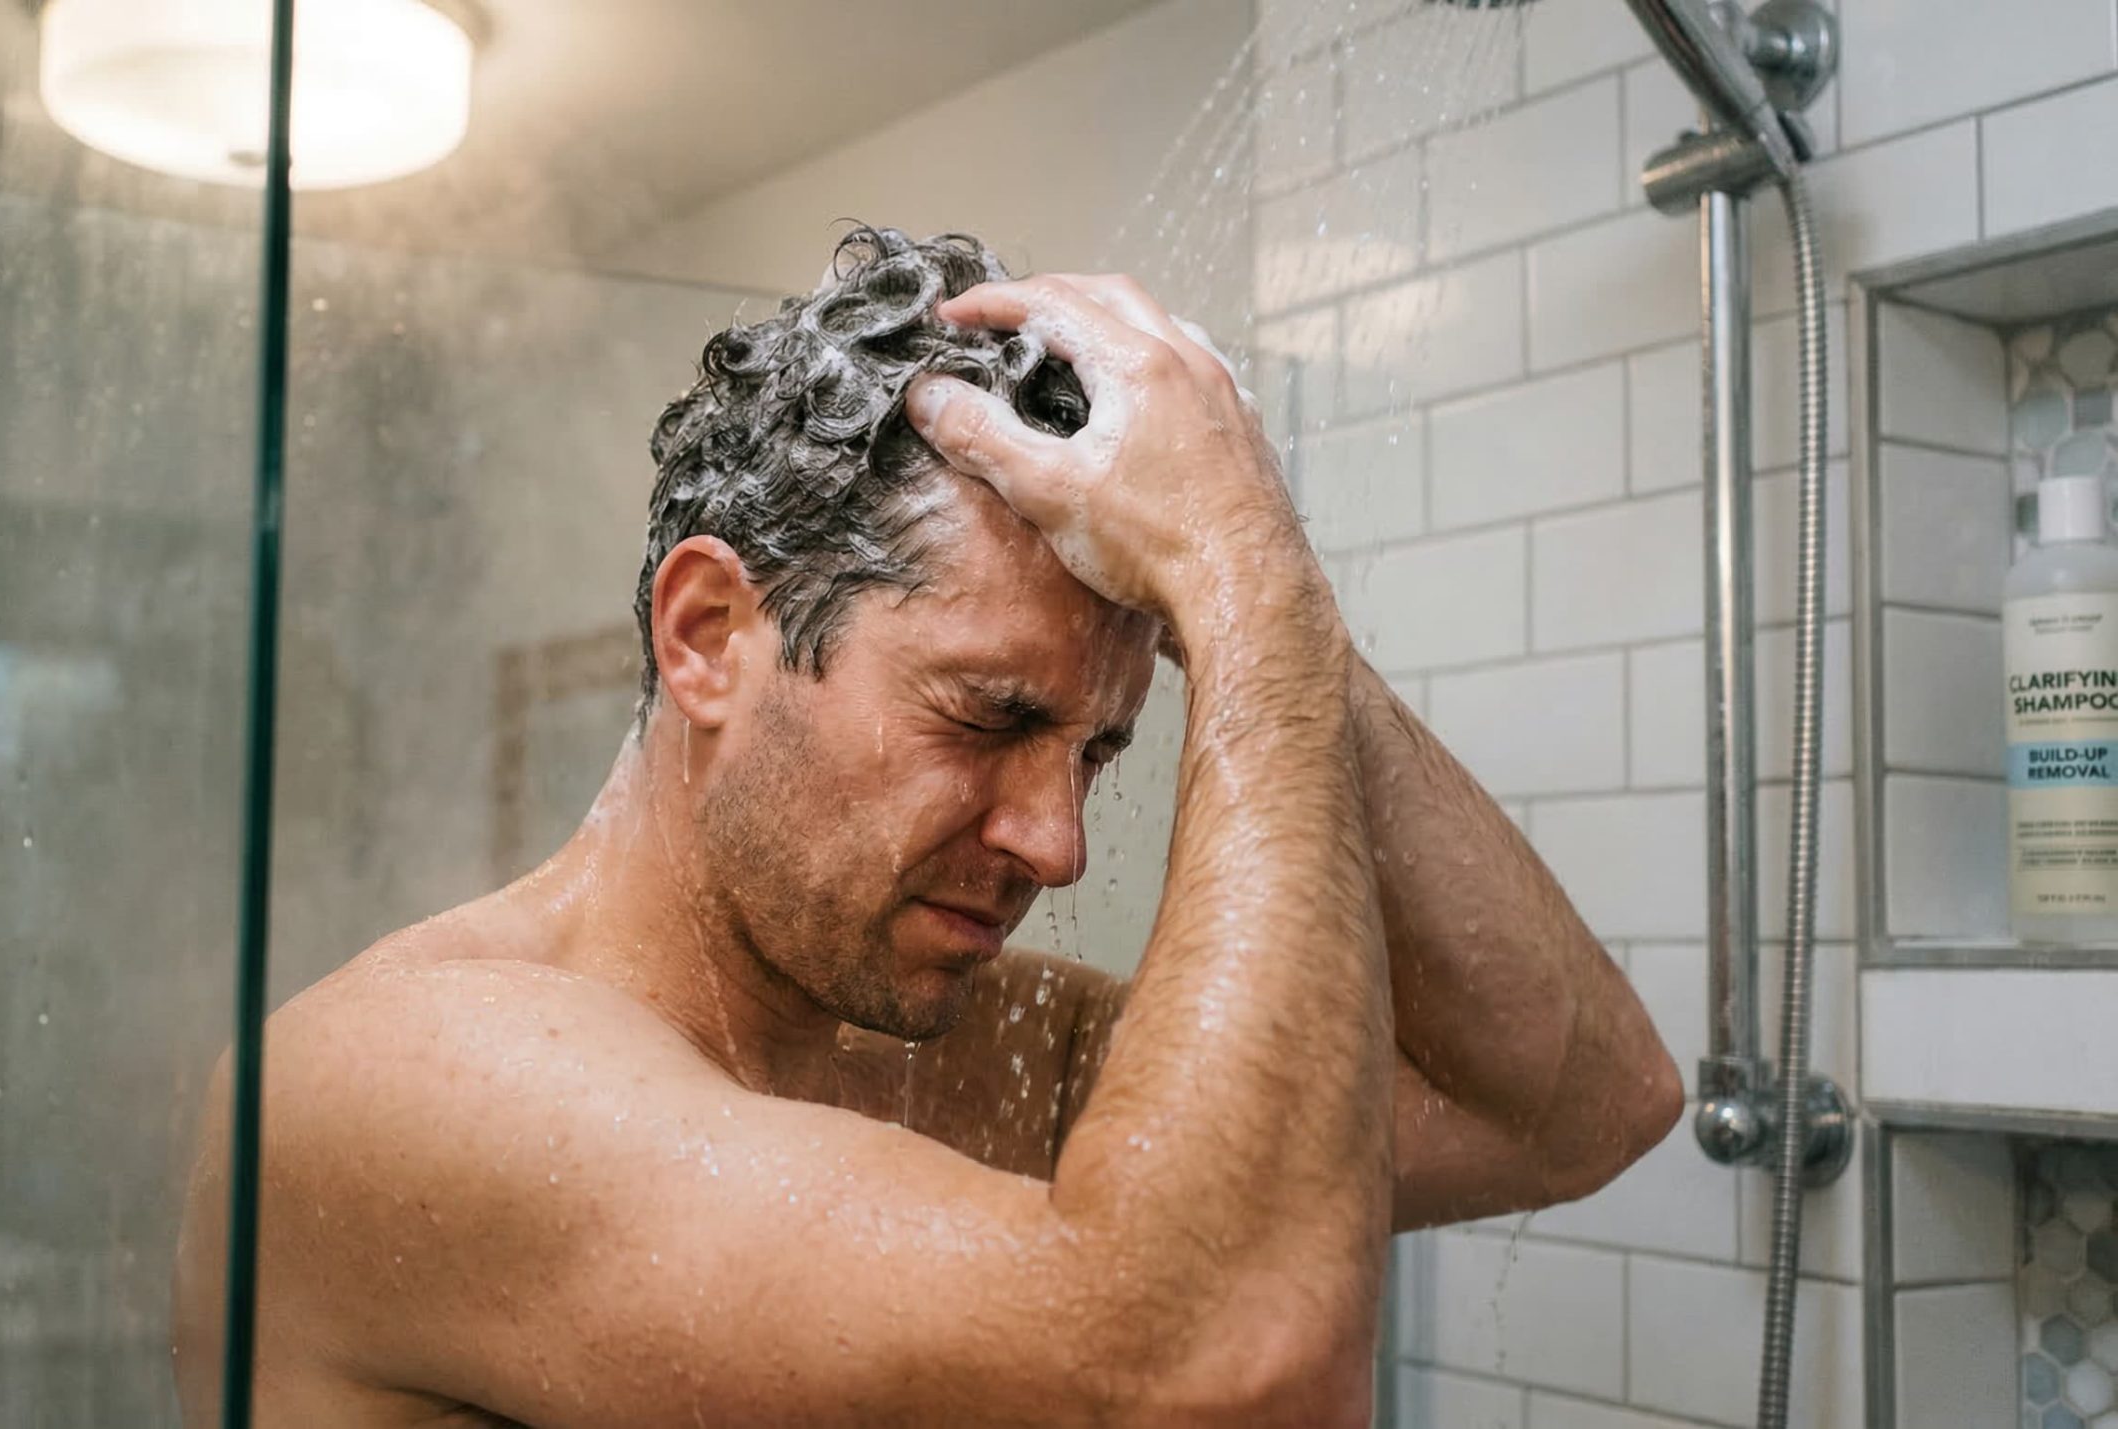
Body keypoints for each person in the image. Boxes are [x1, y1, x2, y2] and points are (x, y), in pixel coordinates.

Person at [169, 226, 1683, 1428]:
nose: (1057, 842)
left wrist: (1237, 576)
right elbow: (1217, 1379)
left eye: (1098, 752)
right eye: (989, 716)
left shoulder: (971, 1058)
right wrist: (1241, 579)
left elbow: (1577, 1100)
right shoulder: (397, 1085)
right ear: (707, 634)